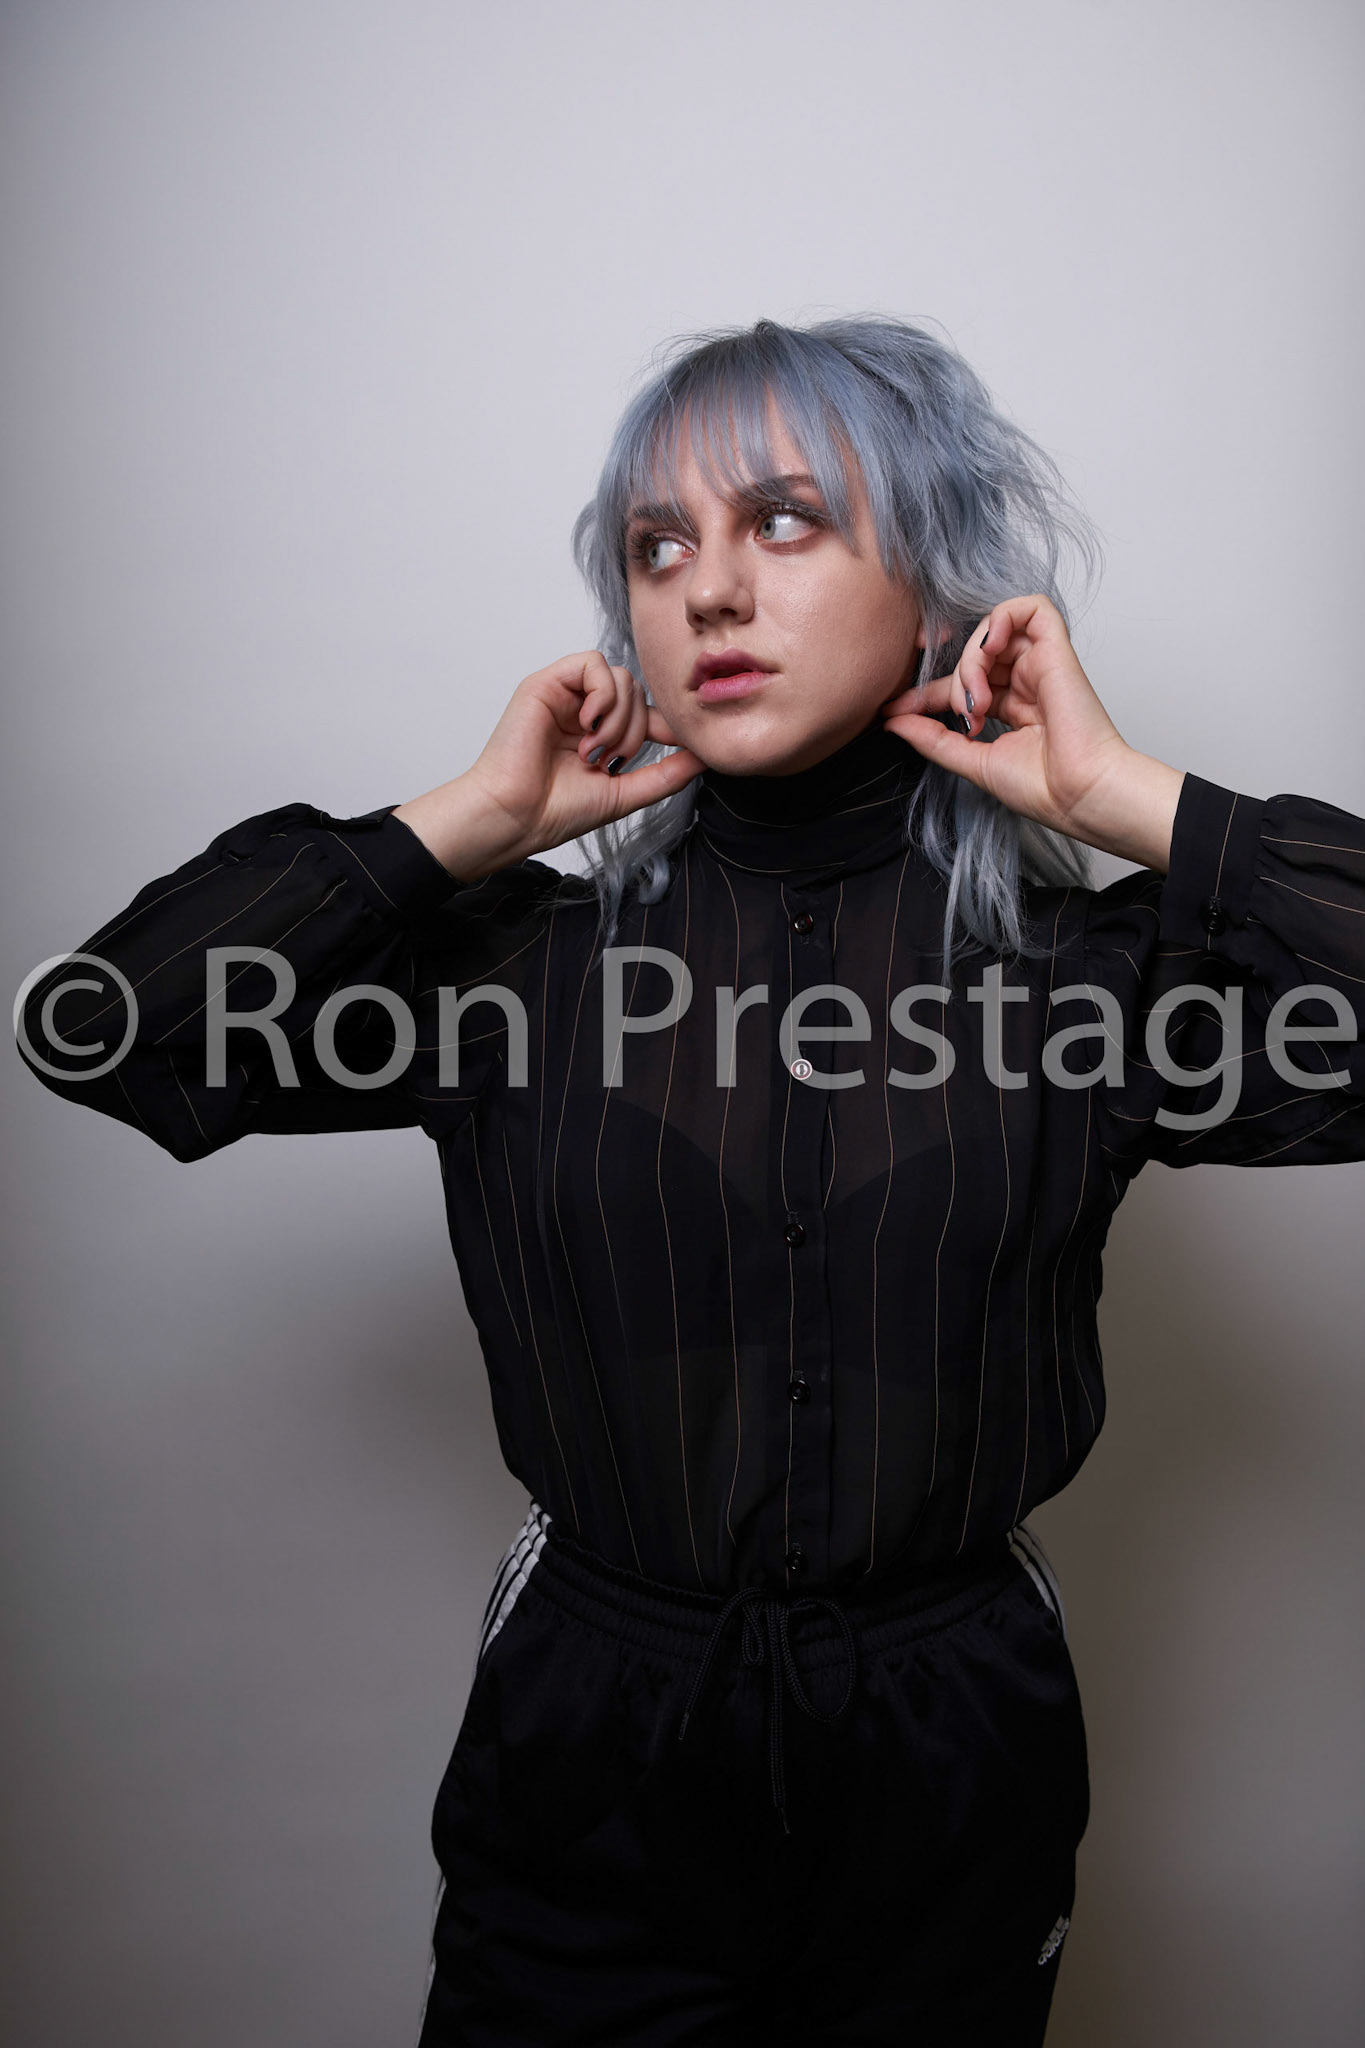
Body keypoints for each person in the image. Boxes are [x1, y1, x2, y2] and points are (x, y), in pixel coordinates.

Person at [16, 314, 1365, 2046]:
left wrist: (1124, 798)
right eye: (658, 548)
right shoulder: (511, 972)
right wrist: (464, 826)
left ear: (935, 590)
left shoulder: (1083, 987)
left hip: (951, 1736)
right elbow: (96, 1026)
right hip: (595, 1732)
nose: (709, 589)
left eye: (783, 521)